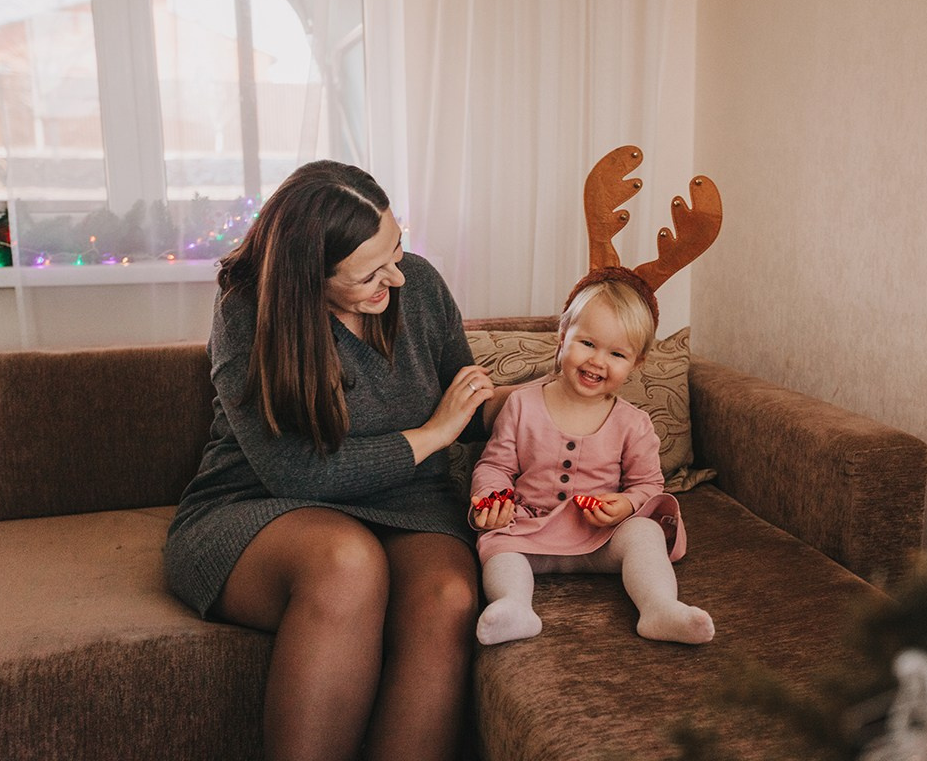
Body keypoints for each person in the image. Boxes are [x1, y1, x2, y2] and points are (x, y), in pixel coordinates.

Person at [163, 159, 511, 761]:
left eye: (396, 250)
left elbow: (467, 403)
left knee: (449, 597)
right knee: (348, 563)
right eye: (371, 272)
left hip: (408, 503)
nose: (396, 278)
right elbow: (297, 471)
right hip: (259, 504)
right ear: (308, 278)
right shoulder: (247, 313)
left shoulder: (419, 286)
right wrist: (431, 435)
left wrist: (545, 402)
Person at [469, 270, 715, 646]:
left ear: (637, 363)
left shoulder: (634, 424)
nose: (598, 361)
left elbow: (648, 485)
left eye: (617, 354)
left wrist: (627, 505)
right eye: (587, 343)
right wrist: (492, 499)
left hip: (600, 537)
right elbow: (495, 466)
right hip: (529, 530)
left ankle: (660, 608)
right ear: (562, 336)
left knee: (645, 532)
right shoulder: (521, 405)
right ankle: (514, 606)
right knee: (497, 545)